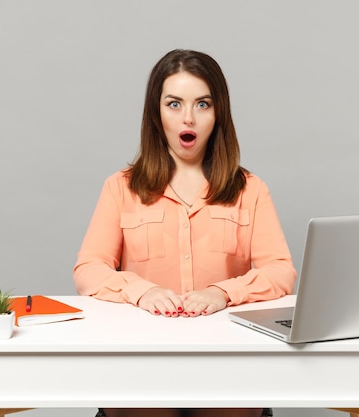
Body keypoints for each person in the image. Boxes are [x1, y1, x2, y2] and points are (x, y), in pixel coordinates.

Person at [73, 49, 297, 417]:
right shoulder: (120, 187)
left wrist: (223, 292)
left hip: (229, 361)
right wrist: (141, 291)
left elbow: (281, 272)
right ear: (155, 113)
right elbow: (89, 269)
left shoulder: (250, 189)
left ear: (218, 112)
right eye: (174, 104)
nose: (188, 118)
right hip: (140, 359)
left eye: (202, 104)